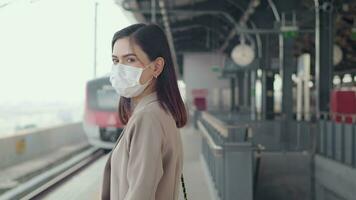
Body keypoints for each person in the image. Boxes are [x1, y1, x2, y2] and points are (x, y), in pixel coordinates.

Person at [101, 23, 188, 200]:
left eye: (130, 59)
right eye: (116, 61)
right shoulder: (159, 111)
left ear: (156, 67)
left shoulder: (148, 118)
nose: (119, 69)